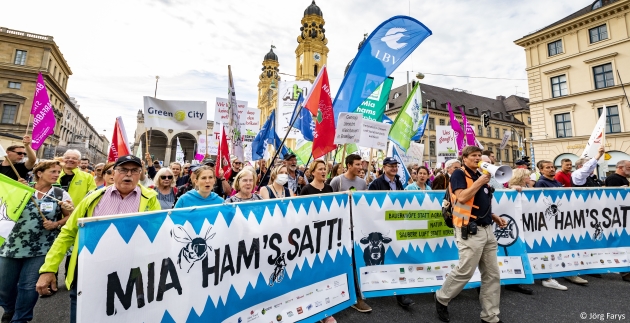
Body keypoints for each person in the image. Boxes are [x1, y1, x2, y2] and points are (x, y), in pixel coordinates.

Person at [36, 155, 160, 323]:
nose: (128, 175)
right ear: (113, 173)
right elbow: (68, 233)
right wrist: (49, 268)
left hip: (129, 274)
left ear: (141, 174)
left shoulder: (150, 200)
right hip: (89, 273)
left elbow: (157, 236)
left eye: (134, 170)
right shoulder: (93, 198)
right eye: (123, 170)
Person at [435, 146, 507, 323]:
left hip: (487, 229)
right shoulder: (460, 174)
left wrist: (493, 216)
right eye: (473, 156)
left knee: (492, 274)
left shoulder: (479, 176)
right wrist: (480, 182)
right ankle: (442, 298)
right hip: (469, 230)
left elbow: (477, 204)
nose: (477, 158)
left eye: (479, 156)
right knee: (466, 270)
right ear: (464, 158)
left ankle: (490, 316)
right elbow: (461, 197)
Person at [0, 160, 74, 323]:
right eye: (52, 171)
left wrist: (56, 223)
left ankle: (20, 318)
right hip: (11, 245)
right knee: (4, 286)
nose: (56, 175)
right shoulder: (21, 189)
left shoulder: (60, 194)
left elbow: (71, 216)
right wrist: (16, 190)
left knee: (28, 287)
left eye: (58, 172)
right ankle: (9, 308)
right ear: (39, 173)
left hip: (41, 248)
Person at [367, 157, 414, 308]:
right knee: (385, 257)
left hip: (397, 225)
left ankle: (400, 293)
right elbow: (371, 205)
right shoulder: (376, 184)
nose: (394, 168)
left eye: (395, 166)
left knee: (397, 256)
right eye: (391, 166)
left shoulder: (399, 182)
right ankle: (379, 284)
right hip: (382, 226)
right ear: (384, 167)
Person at [533, 160, 585, 289]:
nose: (551, 169)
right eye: (548, 167)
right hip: (550, 220)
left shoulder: (556, 182)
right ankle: (548, 276)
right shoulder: (541, 183)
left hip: (561, 219)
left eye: (552, 167)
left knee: (564, 245)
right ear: (541, 170)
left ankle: (567, 271)